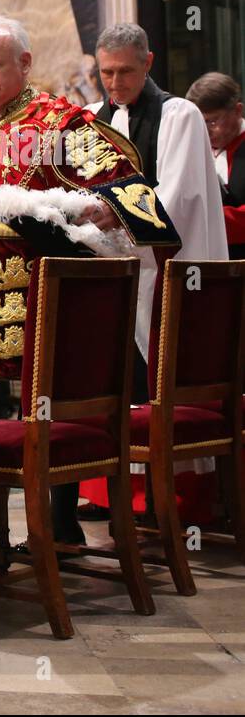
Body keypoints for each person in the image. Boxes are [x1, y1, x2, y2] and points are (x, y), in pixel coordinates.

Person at [0, 16, 180, 549]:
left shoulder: (60, 124)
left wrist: (103, 211)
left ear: (25, 63)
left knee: (50, 403)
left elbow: (128, 186)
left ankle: (56, 525)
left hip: (42, 279)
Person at [74, 26, 228, 522]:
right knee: (113, 379)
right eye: (105, 72)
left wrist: (112, 212)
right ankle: (113, 491)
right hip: (111, 272)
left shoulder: (177, 115)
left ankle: (170, 496)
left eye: (125, 71)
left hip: (162, 270)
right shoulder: (92, 120)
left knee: (159, 377)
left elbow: (179, 196)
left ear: (149, 63)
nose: (114, 83)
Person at [187, 72, 245, 260]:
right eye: (199, 122)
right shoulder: (193, 146)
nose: (206, 130)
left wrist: (206, 220)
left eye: (212, 121)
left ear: (237, 110)